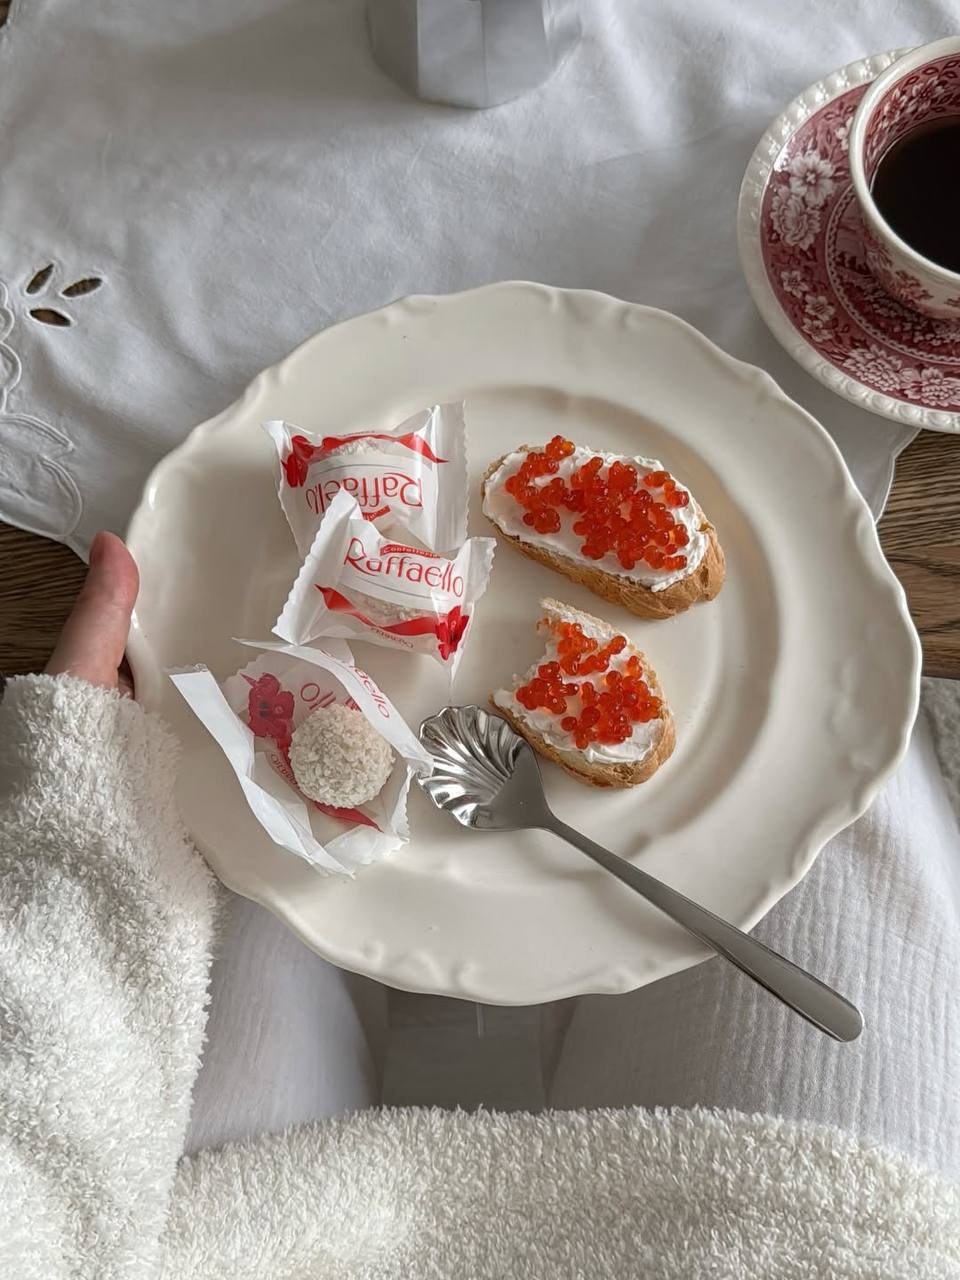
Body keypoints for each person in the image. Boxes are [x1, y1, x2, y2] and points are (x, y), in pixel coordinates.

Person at [1, 532, 958, 1280]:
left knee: (220, 791)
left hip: (219, 1232)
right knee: (843, 740)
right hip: (779, 1233)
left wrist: (93, 830)